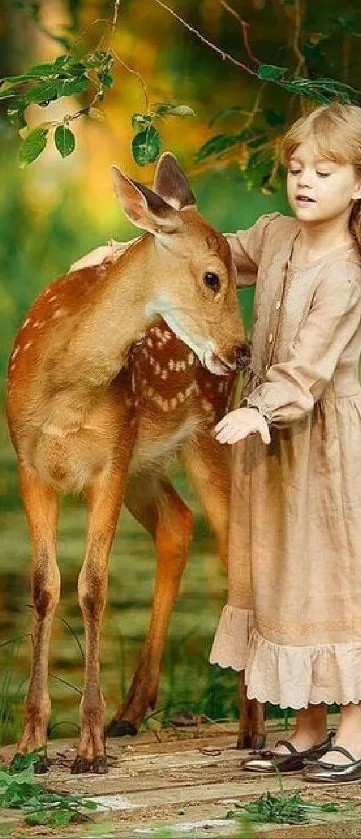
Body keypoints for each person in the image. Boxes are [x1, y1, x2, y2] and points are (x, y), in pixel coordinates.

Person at [71, 102, 361, 782]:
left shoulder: (346, 269)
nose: (304, 181)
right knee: (280, 574)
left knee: (331, 576)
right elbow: (203, 254)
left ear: (357, 183)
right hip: (267, 443)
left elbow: (308, 367)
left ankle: (354, 722)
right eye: (295, 169)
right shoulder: (276, 236)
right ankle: (305, 723)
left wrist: (258, 409)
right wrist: (121, 254)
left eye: (324, 170)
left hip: (317, 439)